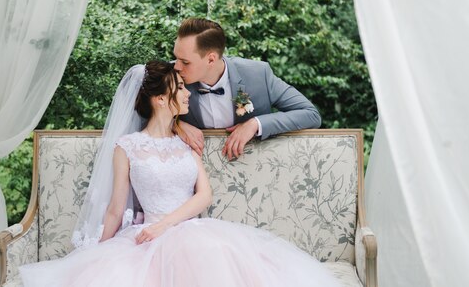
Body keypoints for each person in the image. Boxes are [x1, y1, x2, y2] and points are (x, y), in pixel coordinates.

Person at [19, 61, 339, 287]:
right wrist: (95, 252)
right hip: (145, 240)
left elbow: (205, 194)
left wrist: (164, 225)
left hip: (190, 231)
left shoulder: (185, 140)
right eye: (180, 88)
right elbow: (116, 208)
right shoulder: (127, 146)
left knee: (218, 261)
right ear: (160, 99)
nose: (188, 93)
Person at [174, 18, 321, 159]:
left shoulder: (258, 75)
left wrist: (255, 123)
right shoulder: (170, 76)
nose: (176, 66)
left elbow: (311, 114)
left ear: (211, 59)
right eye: (176, 58)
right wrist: (176, 125)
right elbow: (150, 116)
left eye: (185, 62)